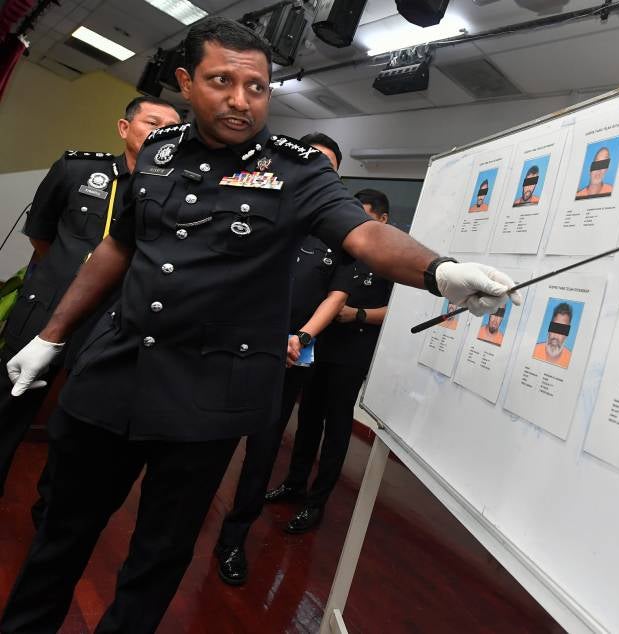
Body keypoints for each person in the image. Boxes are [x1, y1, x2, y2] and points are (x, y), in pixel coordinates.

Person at [0, 17, 518, 634]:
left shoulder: (295, 170)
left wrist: (440, 271)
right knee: (60, 537)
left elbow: (366, 234)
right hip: (115, 376)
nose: (242, 100)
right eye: (222, 81)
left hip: (207, 398)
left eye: (258, 86)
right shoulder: (159, 154)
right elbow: (119, 247)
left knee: (157, 560)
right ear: (187, 83)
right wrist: (49, 336)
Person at [0, 96, 180, 514]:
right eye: (152, 122)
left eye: (171, 129)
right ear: (124, 128)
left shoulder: (171, 196)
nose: (160, 134)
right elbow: (41, 235)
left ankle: (49, 510)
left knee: (76, 425)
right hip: (46, 308)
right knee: (10, 403)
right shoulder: (78, 168)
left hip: (108, 324)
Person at [213, 131, 349, 586]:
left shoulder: (339, 232)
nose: (317, 172)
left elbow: (337, 295)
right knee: (208, 446)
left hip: (290, 358)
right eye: (311, 161)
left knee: (262, 453)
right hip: (232, 350)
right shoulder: (259, 211)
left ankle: (233, 539)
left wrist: (302, 336)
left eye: (327, 167)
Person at [264, 188, 395, 537]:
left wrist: (358, 314)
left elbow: (397, 312)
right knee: (307, 419)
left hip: (352, 354)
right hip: (317, 348)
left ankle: (316, 501)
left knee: (337, 427)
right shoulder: (339, 248)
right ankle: (294, 484)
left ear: (382, 220)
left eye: (365, 216)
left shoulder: (388, 259)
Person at [532, 302, 573, 368]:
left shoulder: (570, 361)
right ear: (549, 329)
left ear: (566, 334)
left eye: (562, 330)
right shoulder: (533, 351)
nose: (556, 336)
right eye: (555, 328)